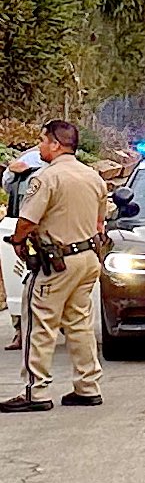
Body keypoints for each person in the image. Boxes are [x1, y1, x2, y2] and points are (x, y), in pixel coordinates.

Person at [1, 122, 108, 412]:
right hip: (87, 259)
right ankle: (87, 387)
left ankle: (35, 392)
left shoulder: (46, 178)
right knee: (79, 323)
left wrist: (18, 240)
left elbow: (27, 221)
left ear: (56, 144)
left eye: (42, 141)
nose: (39, 148)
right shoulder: (93, 177)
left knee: (39, 322)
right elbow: (100, 222)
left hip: (57, 262)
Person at [1, 144, 43, 351]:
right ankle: (20, 331)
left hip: (47, 237)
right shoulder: (18, 177)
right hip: (21, 232)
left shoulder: (52, 175)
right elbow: (8, 186)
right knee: (18, 284)